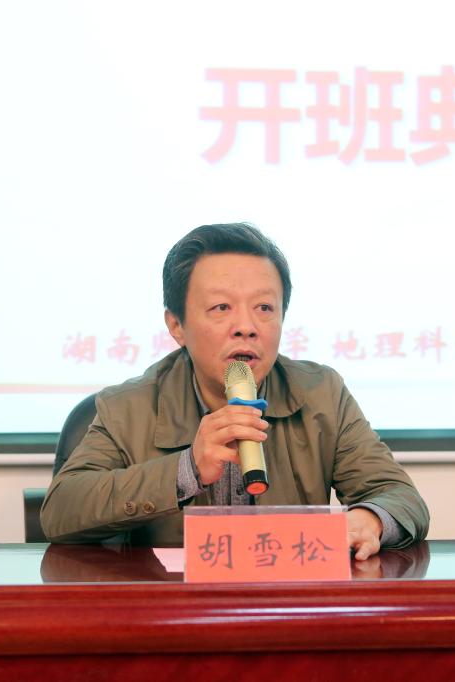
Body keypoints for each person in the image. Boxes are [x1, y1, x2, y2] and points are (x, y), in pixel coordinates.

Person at [41, 223, 428, 558]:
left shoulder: (320, 393)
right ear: (176, 325)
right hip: (175, 607)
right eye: (221, 307)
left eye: (264, 308)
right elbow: (61, 510)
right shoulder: (129, 406)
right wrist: (186, 469)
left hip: (284, 604)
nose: (247, 327)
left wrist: (370, 519)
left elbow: (398, 495)